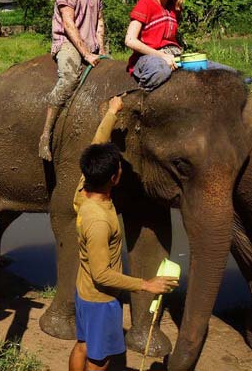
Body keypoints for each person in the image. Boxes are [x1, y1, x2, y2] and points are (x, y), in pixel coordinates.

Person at [69, 96, 179, 371]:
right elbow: (101, 274)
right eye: (118, 168)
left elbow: (96, 144)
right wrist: (147, 284)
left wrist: (111, 112)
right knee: (100, 357)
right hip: (100, 299)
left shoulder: (84, 187)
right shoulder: (98, 220)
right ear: (114, 179)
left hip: (83, 292)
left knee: (82, 344)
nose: (120, 169)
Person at [39, 0, 107, 161]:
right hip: (68, 42)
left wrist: (101, 48)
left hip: (91, 43)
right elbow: (69, 24)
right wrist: (86, 53)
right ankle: (46, 135)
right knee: (69, 78)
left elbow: (100, 22)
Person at [124, 0, 234, 91]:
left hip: (175, 56)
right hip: (148, 58)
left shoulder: (175, 7)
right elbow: (130, 41)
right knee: (161, 71)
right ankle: (139, 98)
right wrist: (162, 56)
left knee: (228, 73)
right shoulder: (146, 3)